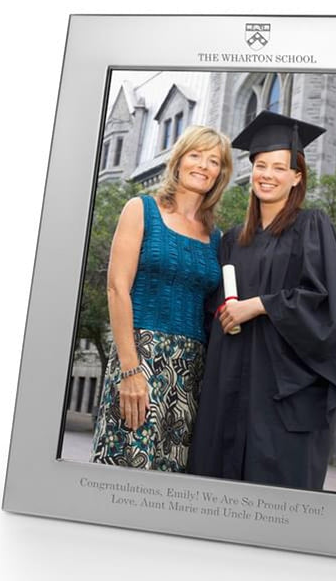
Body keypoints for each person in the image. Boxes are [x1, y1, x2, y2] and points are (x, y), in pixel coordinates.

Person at [188, 111, 336, 490]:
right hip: (230, 385)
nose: (267, 175)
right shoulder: (233, 240)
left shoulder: (312, 226)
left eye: (280, 168)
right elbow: (213, 310)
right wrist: (224, 313)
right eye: (261, 165)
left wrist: (260, 304)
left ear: (297, 177)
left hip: (282, 394)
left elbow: (328, 305)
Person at [91, 125, 233, 472]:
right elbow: (117, 288)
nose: (203, 166)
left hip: (190, 371)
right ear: (179, 160)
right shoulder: (141, 210)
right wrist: (130, 369)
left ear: (220, 173)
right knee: (126, 467)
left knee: (172, 476)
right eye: (195, 155)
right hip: (140, 356)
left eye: (213, 160)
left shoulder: (216, 237)